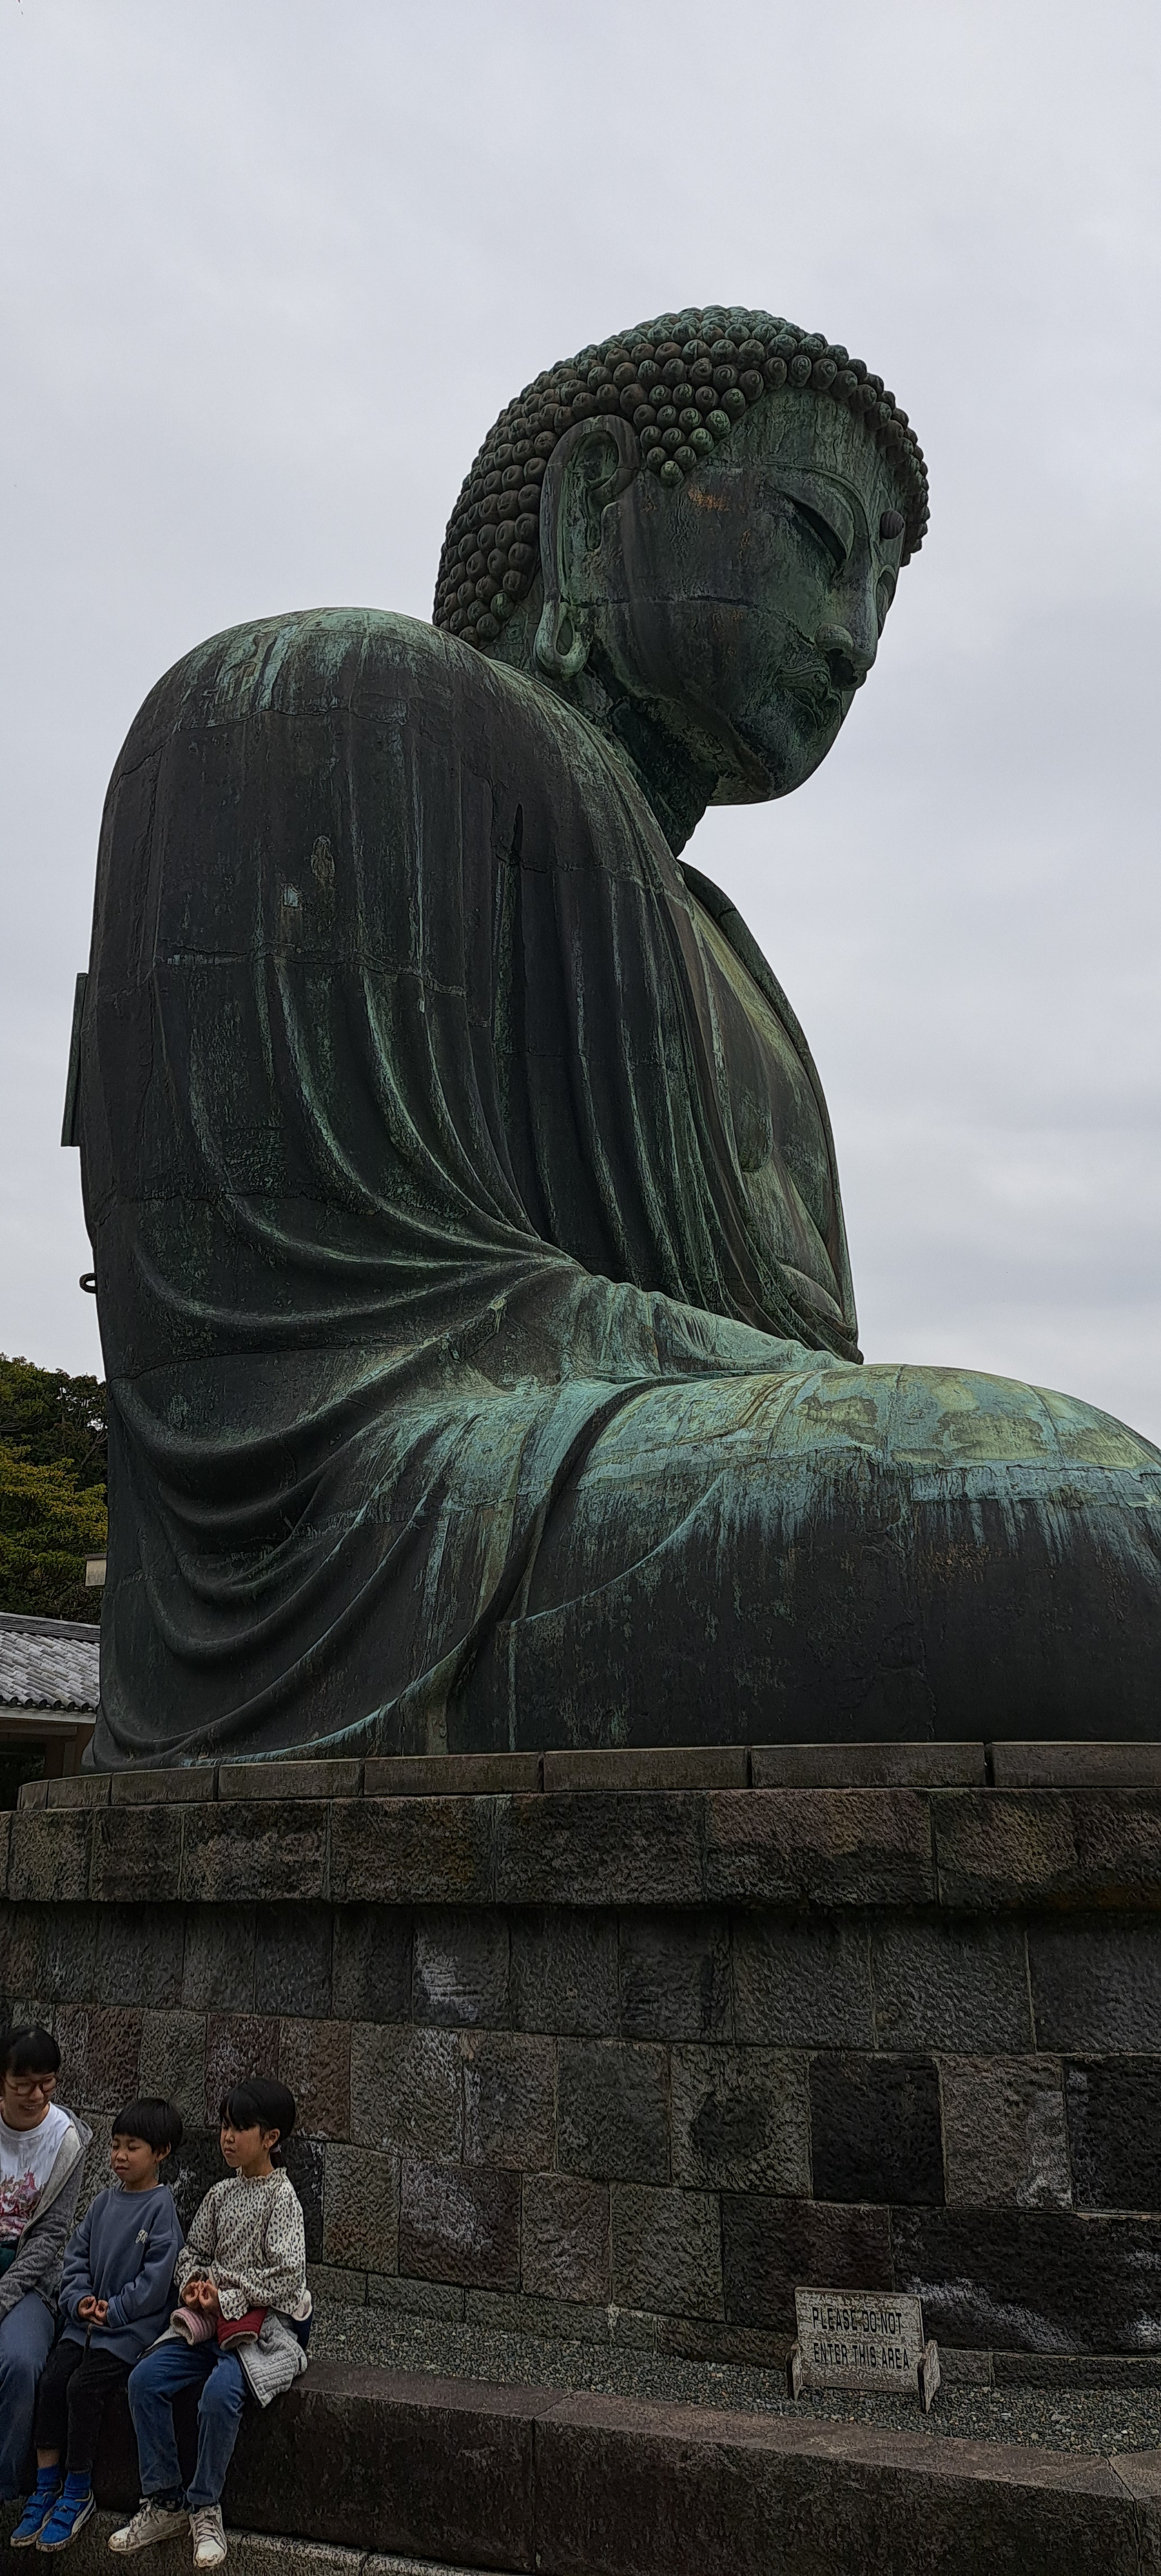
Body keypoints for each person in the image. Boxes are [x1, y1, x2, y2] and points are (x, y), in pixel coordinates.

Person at [77, 301, 1161, 1765]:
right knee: (1059, 1526)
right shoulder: (316, 703)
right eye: (815, 540)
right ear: (594, 508)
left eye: (886, 592)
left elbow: (795, 1383)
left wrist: (833, 1417)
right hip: (391, 1535)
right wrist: (848, 1421)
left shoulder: (735, 967)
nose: (854, 641)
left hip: (650, 1477)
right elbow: (280, 1356)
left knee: (1049, 1507)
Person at [110, 2079, 309, 2570]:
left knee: (220, 2397)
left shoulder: (283, 2199)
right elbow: (192, 2253)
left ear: (271, 2137)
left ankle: (205, 2506)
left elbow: (288, 2277)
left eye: (240, 2128)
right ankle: (164, 2500)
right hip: (205, 2325)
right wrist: (194, 2286)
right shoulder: (220, 2194)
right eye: (224, 2126)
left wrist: (229, 2295)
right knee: (145, 2380)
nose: (227, 2137)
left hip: (259, 2332)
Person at [9, 2096, 184, 2551]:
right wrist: (78, 2300)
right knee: (52, 2381)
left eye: (132, 2147)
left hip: (127, 2335)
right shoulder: (103, 2203)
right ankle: (45, 2484)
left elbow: (156, 2281)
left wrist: (117, 2310)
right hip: (82, 2326)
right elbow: (76, 2258)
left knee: (82, 2389)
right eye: (115, 2145)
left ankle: (77, 2489)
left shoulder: (162, 2209)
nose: (120, 2156)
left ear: (161, 2153)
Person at [0, 2028, 91, 2509]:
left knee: (21, 2362)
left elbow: (51, 2235)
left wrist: (4, 2296)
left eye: (47, 2083)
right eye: (23, 2085)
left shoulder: (67, 2140)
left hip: (32, 2277)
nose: (36, 2095)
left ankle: (6, 2485)